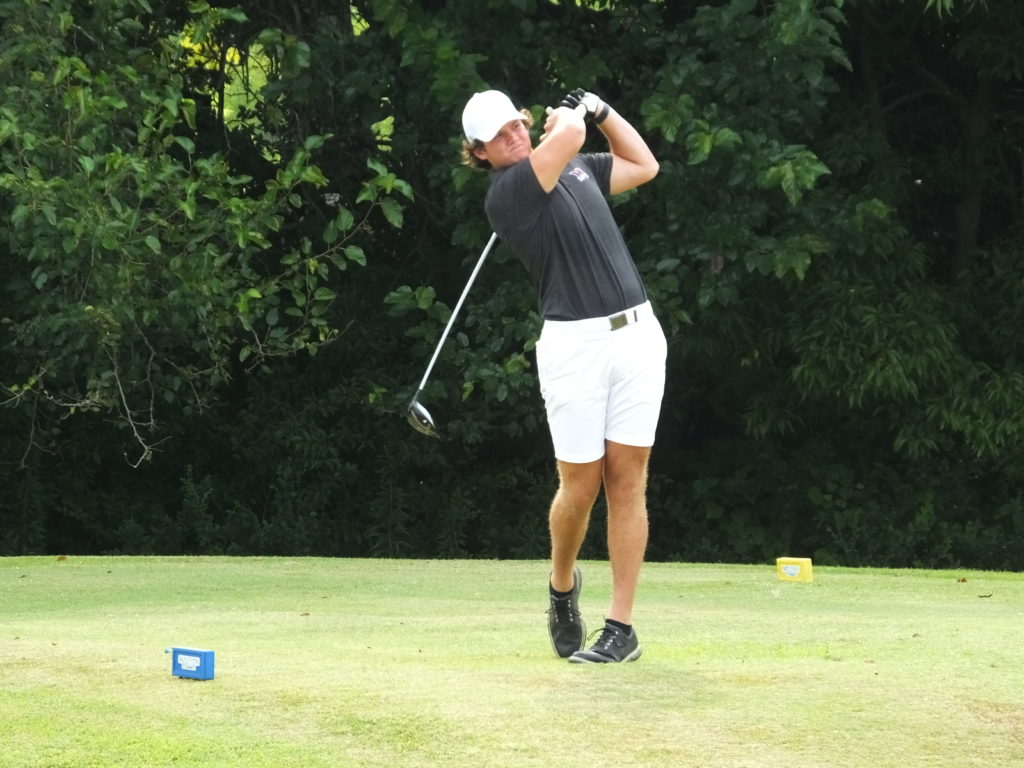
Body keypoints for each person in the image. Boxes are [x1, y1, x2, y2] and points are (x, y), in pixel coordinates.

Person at [459, 88, 667, 664]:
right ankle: (561, 584)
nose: (513, 137)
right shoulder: (508, 193)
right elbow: (570, 134)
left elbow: (643, 165)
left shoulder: (575, 166)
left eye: (515, 125)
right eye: (498, 136)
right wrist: (574, 116)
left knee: (627, 481)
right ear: (480, 153)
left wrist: (604, 111)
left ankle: (621, 628)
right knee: (580, 485)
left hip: (638, 335)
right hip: (575, 347)